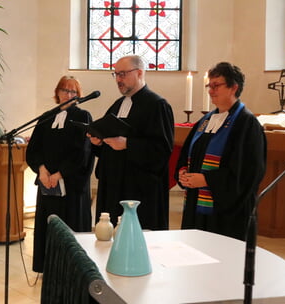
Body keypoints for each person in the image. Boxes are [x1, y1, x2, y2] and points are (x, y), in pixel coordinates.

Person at [175, 62, 267, 241]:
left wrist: (207, 179)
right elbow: (188, 153)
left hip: (226, 214)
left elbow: (250, 172)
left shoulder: (247, 124)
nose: (211, 90)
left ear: (234, 87)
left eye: (216, 85)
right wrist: (183, 172)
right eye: (209, 85)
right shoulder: (206, 121)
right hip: (196, 205)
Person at [90, 55, 175, 230]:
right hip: (113, 186)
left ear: (139, 73)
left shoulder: (157, 105)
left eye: (123, 74)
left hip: (139, 190)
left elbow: (162, 150)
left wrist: (128, 144)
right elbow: (109, 144)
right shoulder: (117, 105)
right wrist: (98, 142)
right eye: (116, 75)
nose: (118, 80)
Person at [26, 76, 94, 273]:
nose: (69, 94)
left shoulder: (83, 117)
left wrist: (60, 174)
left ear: (78, 96)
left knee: (70, 229)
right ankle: (48, 267)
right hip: (47, 184)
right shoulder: (46, 117)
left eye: (73, 92)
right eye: (65, 90)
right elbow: (33, 149)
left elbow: (83, 151)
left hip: (71, 187)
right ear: (57, 93)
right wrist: (41, 169)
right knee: (48, 225)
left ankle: (72, 271)